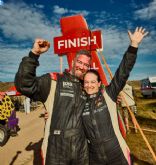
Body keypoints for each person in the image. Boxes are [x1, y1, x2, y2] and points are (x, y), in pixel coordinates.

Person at [14, 39, 91, 165]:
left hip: (82, 152)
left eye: (86, 65)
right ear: (73, 62)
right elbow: (24, 84)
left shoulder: (87, 88)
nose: (82, 67)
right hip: (56, 152)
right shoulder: (54, 81)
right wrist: (34, 55)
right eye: (80, 62)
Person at [82, 27, 148, 165]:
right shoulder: (80, 102)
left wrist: (133, 45)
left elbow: (123, 72)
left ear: (99, 83)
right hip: (94, 159)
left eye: (92, 82)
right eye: (86, 82)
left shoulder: (109, 94)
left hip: (117, 155)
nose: (89, 85)